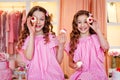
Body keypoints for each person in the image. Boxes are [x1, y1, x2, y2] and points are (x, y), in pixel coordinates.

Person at [16, 6, 66, 80]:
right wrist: (32, 34)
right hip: (35, 76)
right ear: (29, 20)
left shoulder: (51, 37)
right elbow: (29, 57)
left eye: (42, 19)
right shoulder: (28, 39)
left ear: (45, 21)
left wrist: (61, 46)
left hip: (53, 76)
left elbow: (58, 61)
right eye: (34, 19)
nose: (38, 22)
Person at [65, 10, 109, 80]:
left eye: (85, 22)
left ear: (90, 22)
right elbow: (70, 63)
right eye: (79, 22)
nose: (82, 25)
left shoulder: (96, 38)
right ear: (76, 24)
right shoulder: (73, 42)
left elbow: (106, 47)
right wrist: (75, 65)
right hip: (82, 74)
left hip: (97, 74)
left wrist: (97, 30)